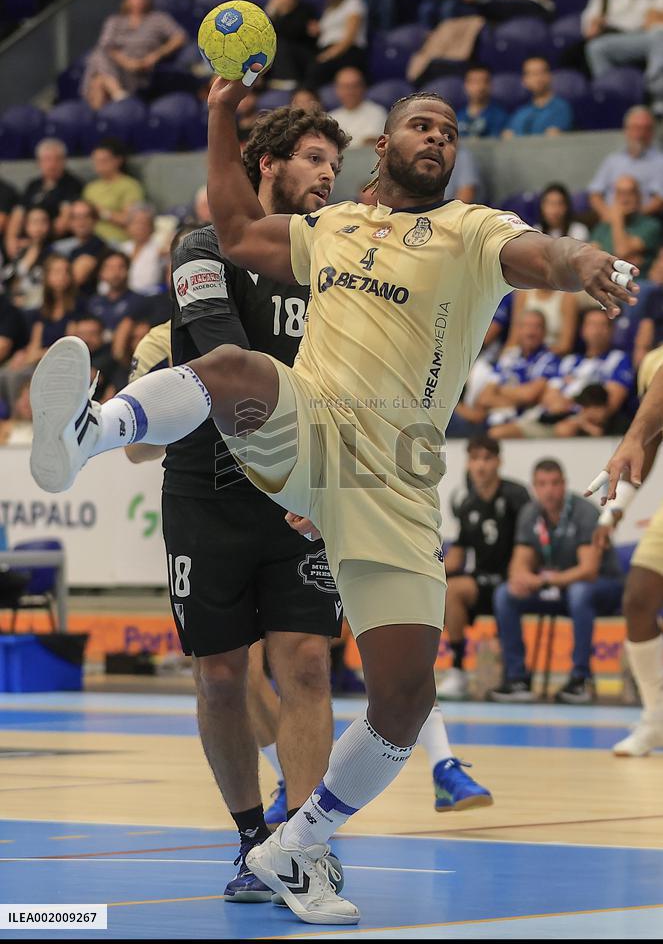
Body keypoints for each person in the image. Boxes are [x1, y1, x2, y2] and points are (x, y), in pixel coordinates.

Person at [29, 72, 639, 924]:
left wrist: (589, 262)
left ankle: (298, 842)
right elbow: (234, 229)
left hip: (393, 476)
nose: (437, 137)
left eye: (449, 130)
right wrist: (220, 112)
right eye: (421, 125)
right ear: (384, 146)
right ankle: (88, 434)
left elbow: (547, 255)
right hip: (309, 426)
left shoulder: (471, 231)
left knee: (403, 700)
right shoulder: (332, 227)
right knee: (234, 368)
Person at [126, 107, 492, 899]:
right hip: (211, 485)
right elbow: (224, 360)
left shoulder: (344, 246)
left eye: (335, 161)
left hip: (305, 477)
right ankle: (251, 839)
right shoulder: (210, 249)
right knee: (221, 677)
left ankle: (302, 842)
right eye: (315, 158)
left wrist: (327, 475)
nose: (330, 174)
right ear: (268, 164)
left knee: (306, 665)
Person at [489, 458, 623, 705]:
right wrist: (523, 577)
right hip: (558, 588)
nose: (549, 490)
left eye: (554, 483)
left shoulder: (584, 512)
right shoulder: (530, 513)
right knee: (505, 594)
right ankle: (517, 678)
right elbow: (519, 563)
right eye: (542, 484)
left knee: (580, 592)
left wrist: (542, 581)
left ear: (564, 484)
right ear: (534, 487)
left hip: (602, 587)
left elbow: (588, 570)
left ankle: (580, 679)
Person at [587, 345, 663, 754]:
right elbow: (648, 444)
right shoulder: (651, 363)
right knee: (637, 599)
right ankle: (656, 719)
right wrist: (614, 512)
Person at [438, 436, 530, 699]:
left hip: (514, 579)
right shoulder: (468, 503)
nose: (480, 466)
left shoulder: (516, 496)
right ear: (468, 463)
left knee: (504, 594)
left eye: (487, 459)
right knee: (451, 590)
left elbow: (528, 543)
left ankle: (515, 676)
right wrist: (428, 572)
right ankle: (457, 670)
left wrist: (520, 572)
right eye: (475, 459)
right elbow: (457, 556)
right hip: (483, 581)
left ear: (499, 462)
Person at [495, 308, 634, 439]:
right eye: (592, 325)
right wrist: (560, 404)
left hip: (582, 422)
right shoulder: (569, 361)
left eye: (602, 325)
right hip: (550, 417)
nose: (596, 330)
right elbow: (548, 395)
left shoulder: (618, 359)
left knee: (564, 429)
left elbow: (610, 403)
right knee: (499, 432)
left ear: (611, 330)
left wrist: (568, 405)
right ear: (583, 330)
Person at [81, 0, 186, 109]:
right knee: (99, 64)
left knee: (99, 78)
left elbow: (180, 37)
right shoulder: (115, 21)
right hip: (117, 68)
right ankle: (118, 96)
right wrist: (128, 63)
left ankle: (114, 104)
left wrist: (155, 55)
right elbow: (106, 46)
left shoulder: (158, 18)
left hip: (142, 70)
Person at [586, 0, 663, 112]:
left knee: (659, 35)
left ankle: (656, 94)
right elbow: (651, 16)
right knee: (597, 48)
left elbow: (641, 19)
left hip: (642, 31)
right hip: (644, 35)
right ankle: (610, 97)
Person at [478, 309, 558, 431]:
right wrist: (515, 402)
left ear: (544, 331)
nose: (531, 332)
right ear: (518, 330)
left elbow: (529, 395)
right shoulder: (509, 356)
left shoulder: (549, 359)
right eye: (526, 326)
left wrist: (499, 390)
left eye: (537, 327)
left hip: (523, 423)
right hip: (492, 421)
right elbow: (484, 398)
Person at [4, 138, 82, 259]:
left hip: (54, 244)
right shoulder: (33, 185)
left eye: (57, 159)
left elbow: (63, 222)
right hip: (27, 242)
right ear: (39, 162)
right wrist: (11, 239)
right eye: (47, 159)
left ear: (64, 161)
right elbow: (18, 213)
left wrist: (35, 242)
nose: (52, 164)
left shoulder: (72, 185)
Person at [588, 106, 663, 221]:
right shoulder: (612, 160)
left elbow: (660, 200)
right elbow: (594, 194)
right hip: (610, 219)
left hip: (643, 221)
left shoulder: (660, 162)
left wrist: (632, 218)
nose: (641, 134)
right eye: (636, 128)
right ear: (626, 130)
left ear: (652, 132)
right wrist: (608, 215)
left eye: (647, 129)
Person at [590, 175, 662, 282]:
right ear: (614, 197)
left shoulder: (651, 225)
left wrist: (617, 219)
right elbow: (591, 259)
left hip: (636, 284)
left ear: (639, 196)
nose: (625, 199)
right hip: (605, 282)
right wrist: (624, 259)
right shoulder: (603, 227)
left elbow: (622, 251)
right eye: (620, 193)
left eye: (630, 193)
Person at [307, 0, 368, 89]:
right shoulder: (329, 9)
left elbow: (349, 37)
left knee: (315, 71)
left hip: (346, 52)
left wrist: (328, 55)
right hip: (326, 50)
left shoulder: (353, 2)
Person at [82, 139, 145, 245]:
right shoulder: (90, 187)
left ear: (118, 160)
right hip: (88, 239)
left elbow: (130, 219)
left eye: (104, 161)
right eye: (96, 161)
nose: (98, 165)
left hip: (116, 240)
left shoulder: (130, 186)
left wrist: (102, 213)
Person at [266, 0, 317, 88]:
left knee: (281, 43)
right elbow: (263, 36)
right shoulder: (271, 11)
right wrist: (271, 11)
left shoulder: (305, 9)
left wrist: (284, 12)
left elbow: (292, 33)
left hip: (300, 61)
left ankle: (287, 81)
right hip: (276, 62)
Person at [503, 57, 573, 137]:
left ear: (550, 76)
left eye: (542, 72)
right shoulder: (521, 112)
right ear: (524, 80)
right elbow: (508, 134)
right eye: (532, 74)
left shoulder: (561, 108)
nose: (538, 78)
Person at [50, 199, 107, 294]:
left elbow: (66, 285)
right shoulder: (71, 248)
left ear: (95, 220)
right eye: (75, 217)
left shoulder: (98, 247)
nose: (81, 222)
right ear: (70, 222)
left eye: (86, 216)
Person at [1, 205, 52, 310]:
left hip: (41, 306)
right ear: (26, 225)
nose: (39, 227)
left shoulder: (53, 253)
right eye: (34, 222)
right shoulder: (17, 252)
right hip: (14, 305)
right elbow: (7, 283)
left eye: (43, 222)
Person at [328, 67, 386, 148]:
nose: (350, 91)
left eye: (355, 86)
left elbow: (370, 145)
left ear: (363, 87)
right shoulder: (330, 118)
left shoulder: (377, 113)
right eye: (345, 87)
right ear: (337, 89)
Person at [121, 204, 165, 295]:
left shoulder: (160, 249)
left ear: (152, 227)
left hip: (148, 297)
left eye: (144, 223)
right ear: (128, 226)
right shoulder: (122, 248)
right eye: (136, 223)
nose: (140, 227)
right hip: (123, 296)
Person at [456, 64, 508, 139]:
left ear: (491, 85)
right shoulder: (457, 116)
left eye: (485, 81)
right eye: (474, 82)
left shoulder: (500, 116)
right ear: (466, 85)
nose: (480, 87)